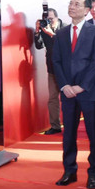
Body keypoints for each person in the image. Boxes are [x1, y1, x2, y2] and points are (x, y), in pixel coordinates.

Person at [51, 0, 95, 189]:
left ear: (86, 10)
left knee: (94, 134)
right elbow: (56, 61)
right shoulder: (61, 33)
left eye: (77, 4)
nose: (72, 7)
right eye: (70, 3)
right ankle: (69, 171)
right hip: (67, 92)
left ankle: (94, 173)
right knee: (68, 134)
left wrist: (81, 86)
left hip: (89, 91)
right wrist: (65, 85)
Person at [34, 7, 63, 135]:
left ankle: (71, 125)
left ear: (57, 17)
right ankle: (55, 126)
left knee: (68, 99)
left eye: (51, 19)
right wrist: (37, 32)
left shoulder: (65, 28)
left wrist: (51, 33)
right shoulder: (44, 28)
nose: (49, 21)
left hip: (66, 70)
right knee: (52, 98)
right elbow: (39, 45)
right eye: (46, 19)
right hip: (52, 68)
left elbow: (64, 46)